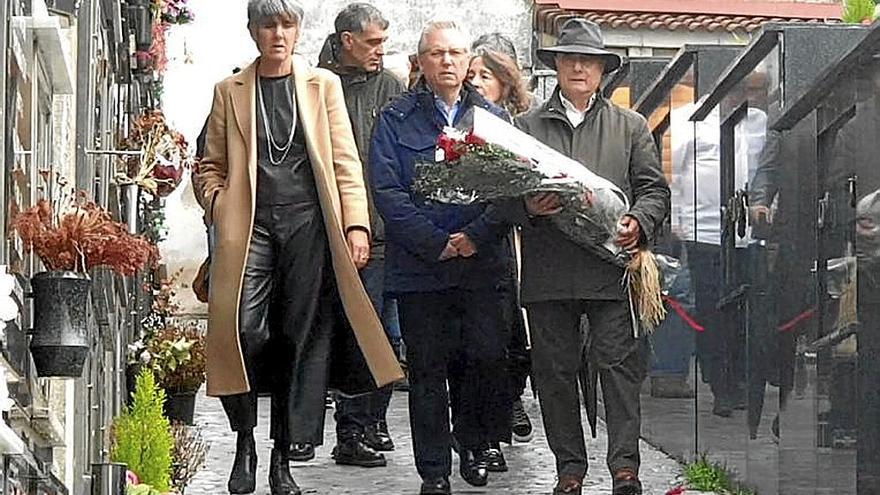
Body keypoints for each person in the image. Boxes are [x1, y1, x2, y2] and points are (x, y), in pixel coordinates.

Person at [196, 1, 401, 494]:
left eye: (287, 25)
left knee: (294, 342)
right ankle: (245, 438)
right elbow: (209, 163)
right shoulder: (230, 91)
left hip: (309, 226)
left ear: (299, 30)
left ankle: (280, 457)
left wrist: (357, 226)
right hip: (251, 228)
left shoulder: (321, 86)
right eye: (269, 25)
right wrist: (218, 204)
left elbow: (346, 162)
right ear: (253, 32)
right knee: (242, 333)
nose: (279, 35)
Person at [511, 19, 670, 495]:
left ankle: (625, 469)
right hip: (550, 272)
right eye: (569, 58)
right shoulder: (525, 128)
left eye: (588, 60)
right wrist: (526, 207)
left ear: (603, 69)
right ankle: (569, 470)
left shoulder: (631, 126)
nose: (578, 67)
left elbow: (654, 190)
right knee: (553, 373)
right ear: (556, 66)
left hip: (611, 271)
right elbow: (499, 200)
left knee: (619, 368)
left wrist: (638, 222)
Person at [369, 20, 512, 495]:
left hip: (481, 265)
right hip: (421, 269)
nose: (446, 61)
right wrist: (435, 242)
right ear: (421, 62)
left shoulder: (493, 120)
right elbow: (387, 190)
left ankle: (472, 442)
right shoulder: (396, 119)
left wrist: (474, 236)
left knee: (484, 358)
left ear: (470, 61)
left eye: (454, 53)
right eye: (436, 54)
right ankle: (434, 471)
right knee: (428, 372)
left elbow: (512, 186)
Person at [315, 2, 406, 467]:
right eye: (372, 42)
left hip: (388, 231)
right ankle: (350, 430)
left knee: (384, 336)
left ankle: (371, 422)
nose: (379, 51)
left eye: (382, 43)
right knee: (350, 332)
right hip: (333, 232)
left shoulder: (392, 87)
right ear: (347, 41)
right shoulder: (316, 85)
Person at [452, 39, 533, 474]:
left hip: (502, 245)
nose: (478, 83)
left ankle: (495, 428)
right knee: (469, 350)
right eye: (474, 75)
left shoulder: (518, 126)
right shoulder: (454, 123)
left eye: (487, 76)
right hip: (457, 244)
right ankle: (473, 434)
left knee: (503, 345)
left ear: (506, 83)